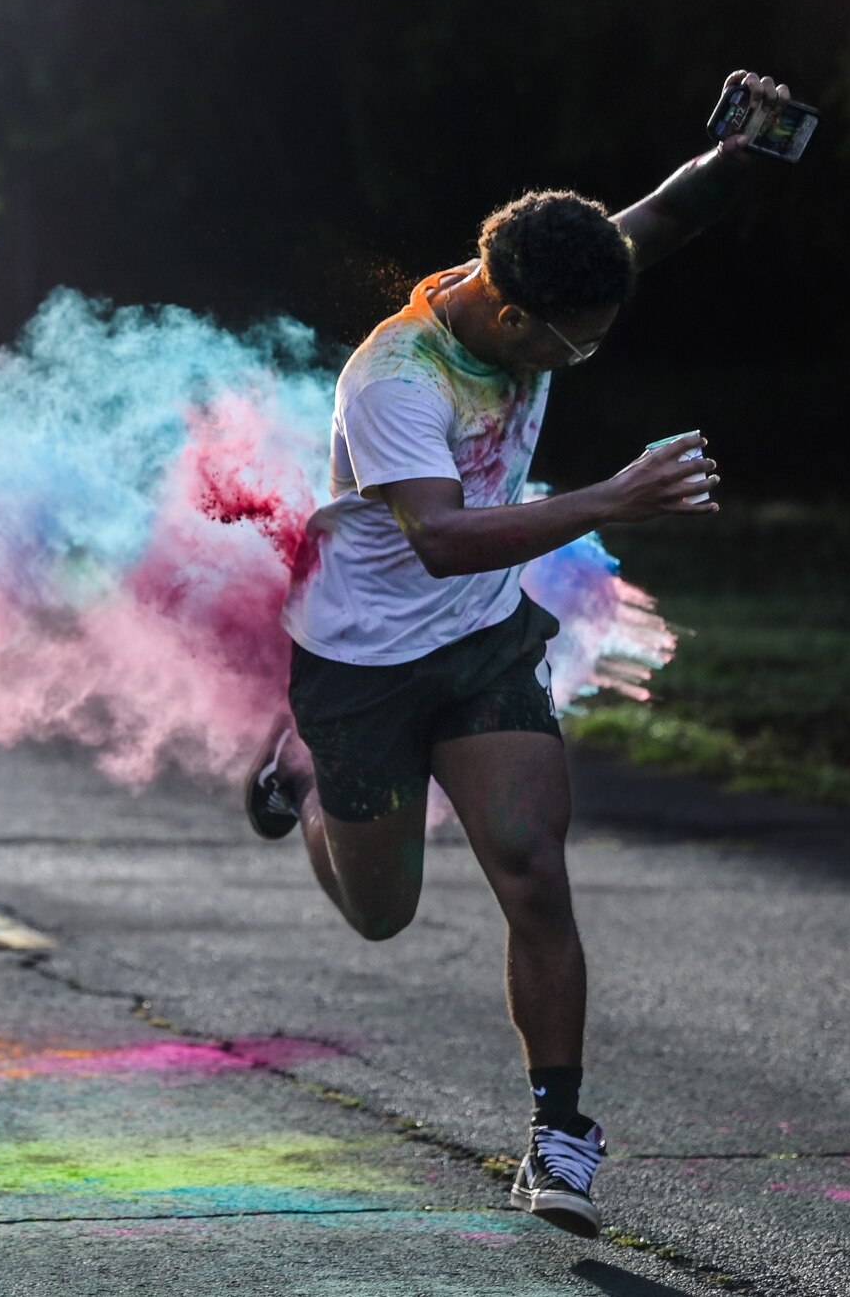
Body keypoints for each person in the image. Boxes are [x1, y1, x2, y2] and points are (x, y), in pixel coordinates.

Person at [243, 71, 797, 1237]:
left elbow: (663, 215)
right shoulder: (392, 379)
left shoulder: (550, 272)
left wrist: (745, 144)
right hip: (358, 666)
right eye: (573, 350)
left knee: (529, 864)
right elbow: (439, 536)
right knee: (379, 912)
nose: (580, 358)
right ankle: (298, 777)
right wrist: (614, 495)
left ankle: (558, 1133)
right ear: (510, 320)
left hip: (483, 639)